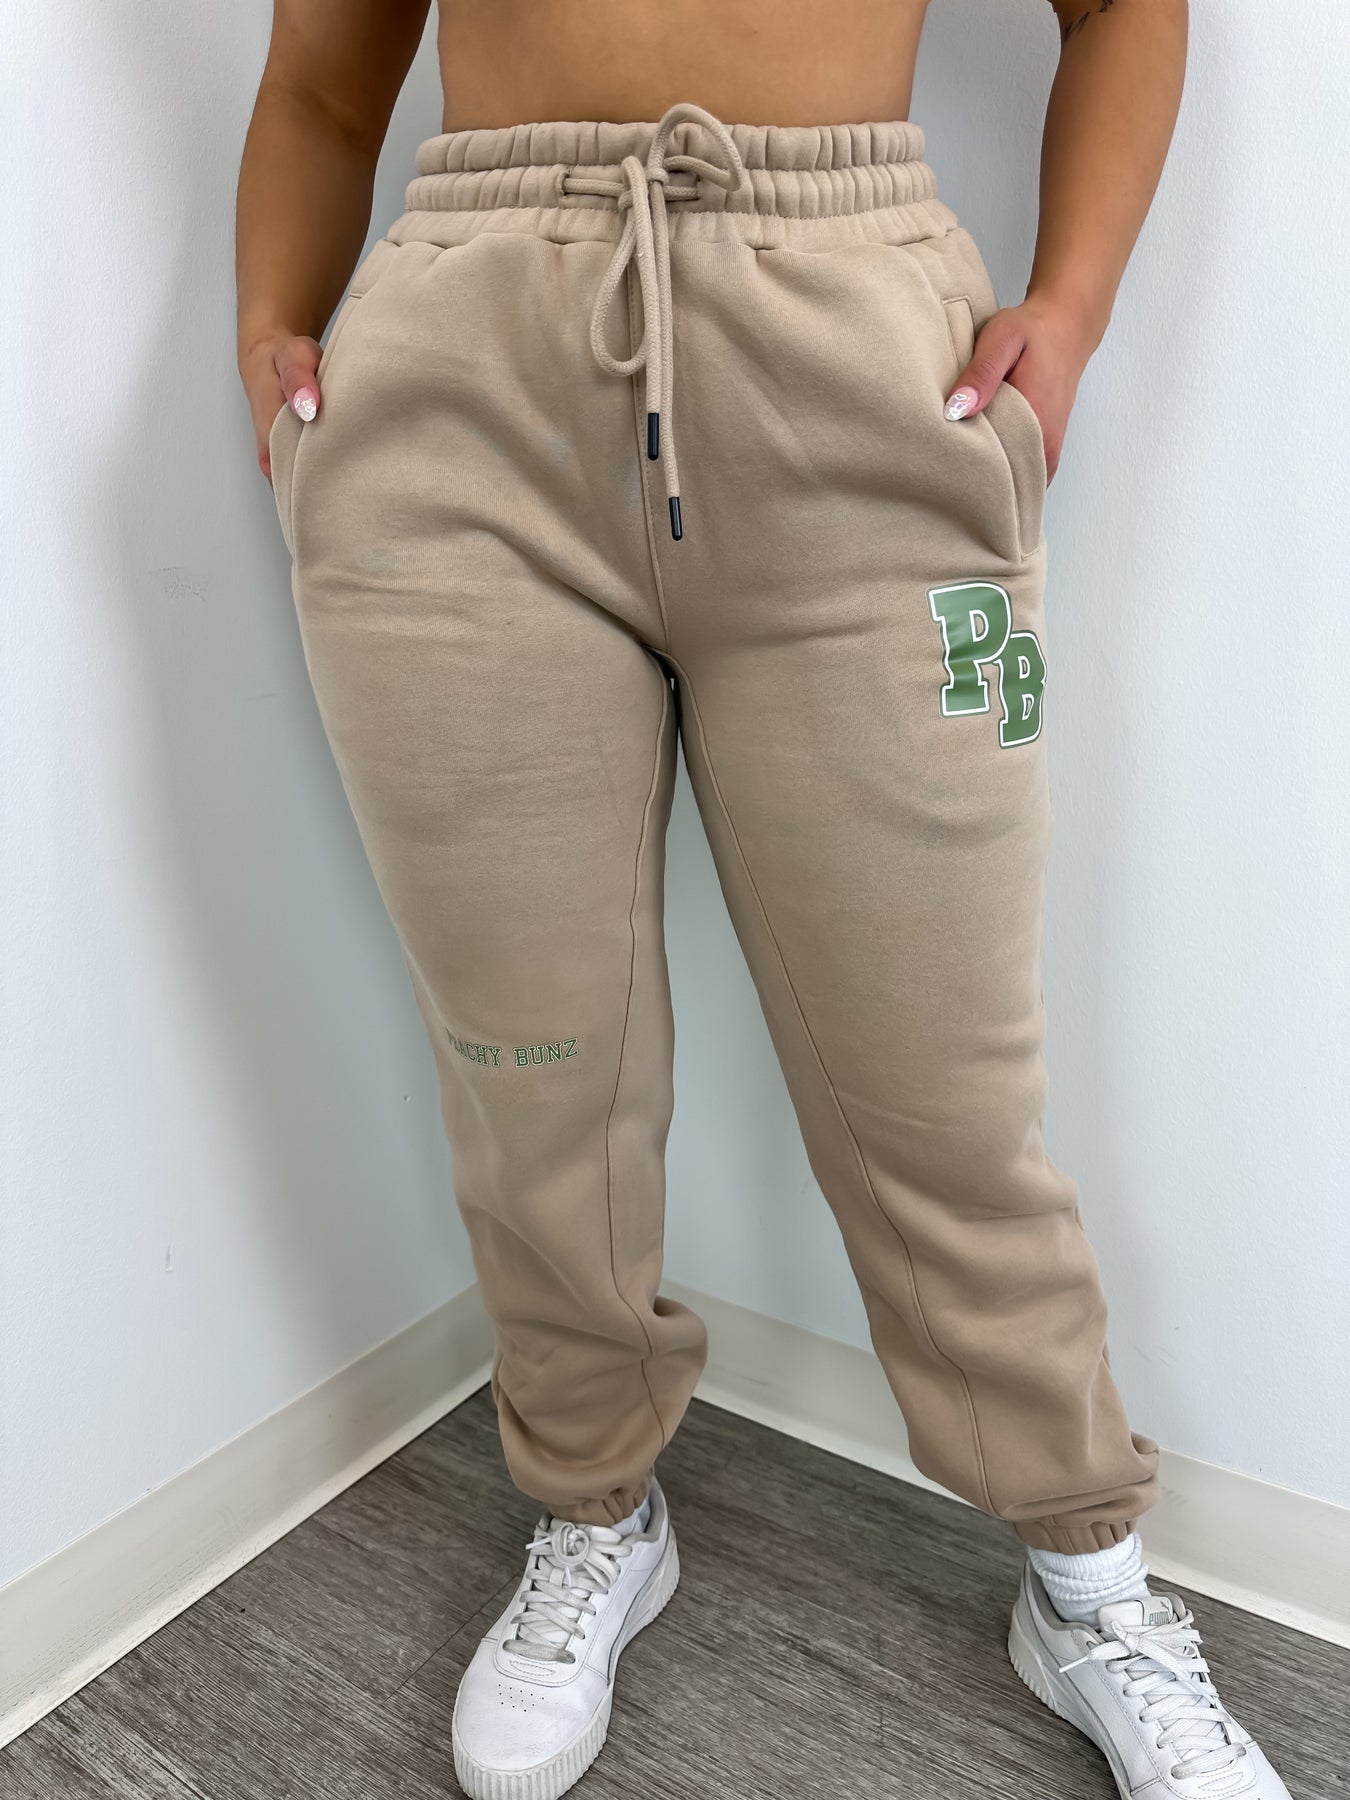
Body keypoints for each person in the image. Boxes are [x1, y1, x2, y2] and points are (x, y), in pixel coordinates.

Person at [236, 2, 1290, 1796]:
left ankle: (1084, 1576)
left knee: (937, 1075)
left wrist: (1071, 314)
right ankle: (593, 1508)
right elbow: (327, 79)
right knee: (529, 1064)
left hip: (856, 352)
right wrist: (268, 344)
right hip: (460, 386)